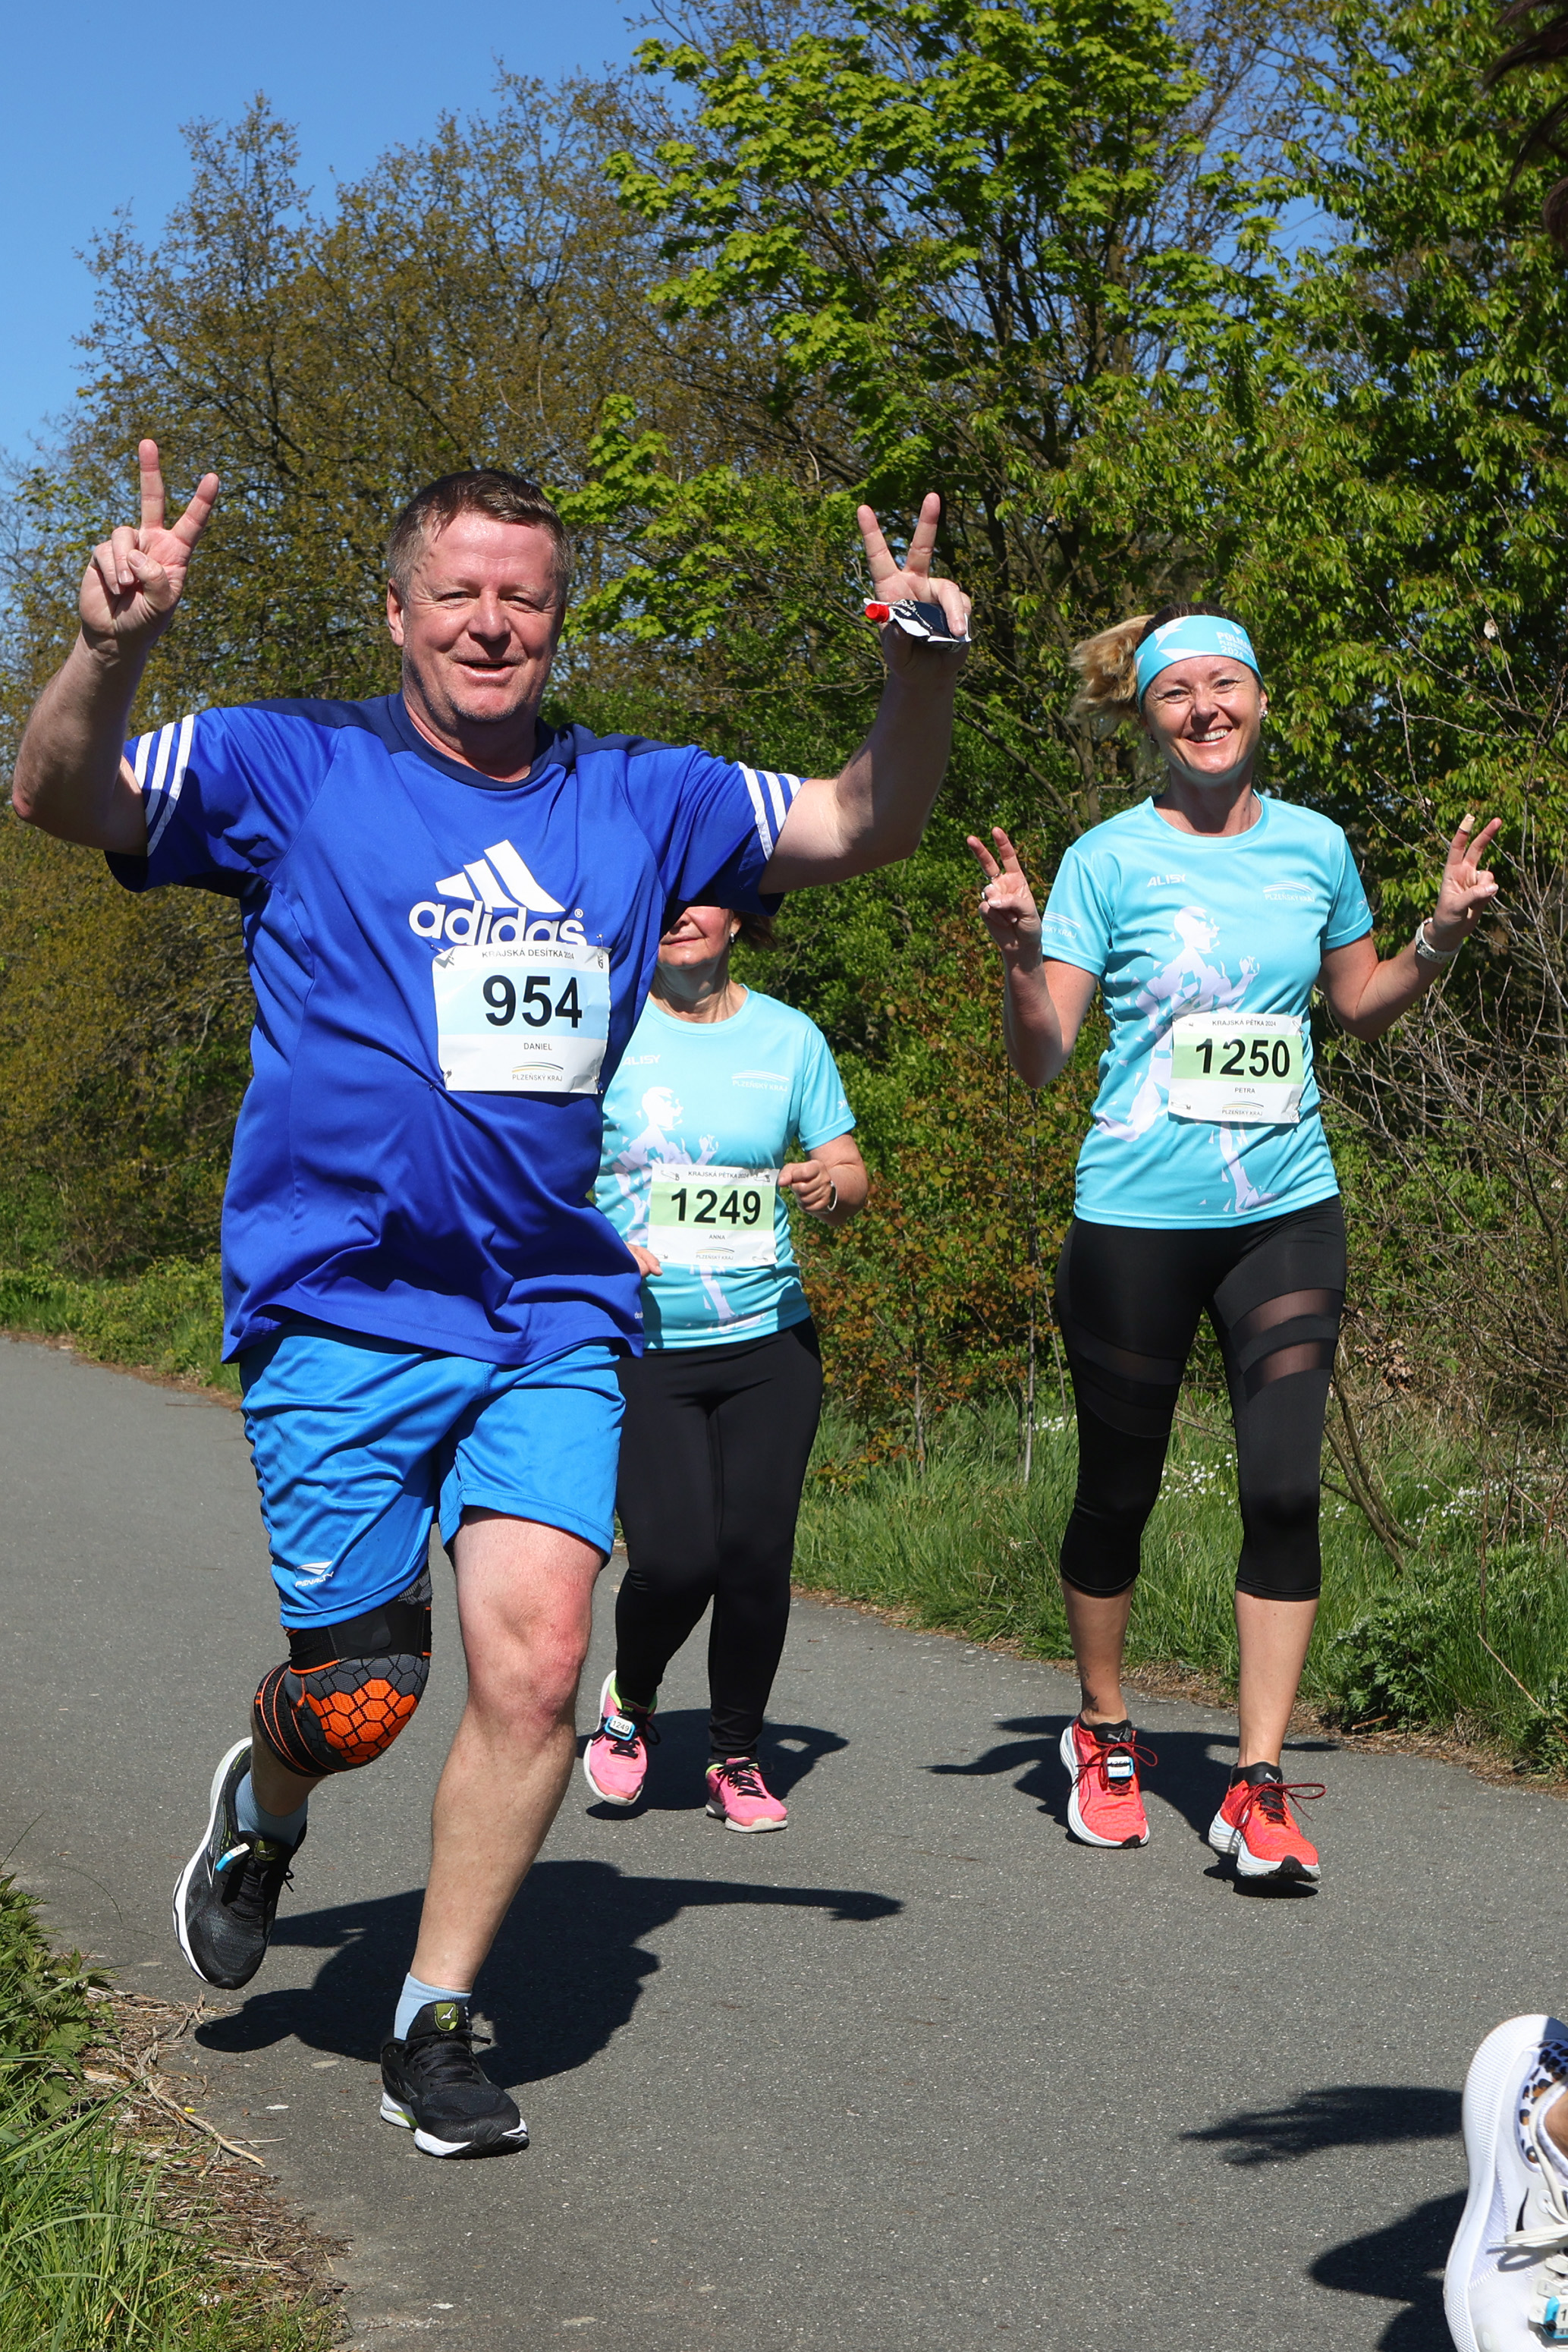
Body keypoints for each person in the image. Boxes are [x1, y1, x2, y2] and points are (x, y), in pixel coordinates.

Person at [11, 443, 969, 2157]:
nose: (489, 622)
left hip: (549, 1307)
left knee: (537, 1668)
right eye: (455, 592)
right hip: (340, 1302)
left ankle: (434, 2014)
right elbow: (61, 797)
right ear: (397, 613)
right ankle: (268, 1800)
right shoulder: (288, 762)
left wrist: (918, 671)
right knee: (361, 1699)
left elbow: (864, 820)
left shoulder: (643, 795)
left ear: (556, 619)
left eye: (522, 596)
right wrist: (112, 644)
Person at [967, 602, 1498, 1884]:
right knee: (1119, 1491)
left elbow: (1358, 1008)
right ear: (1145, 717)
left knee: (1281, 1490)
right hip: (1135, 1218)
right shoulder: (1104, 859)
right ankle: (1102, 1730)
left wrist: (1437, 933)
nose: (1204, 709)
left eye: (1225, 686)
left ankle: (1254, 1780)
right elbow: (1041, 1061)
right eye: (1175, 693)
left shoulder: (1314, 847)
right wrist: (1021, 959)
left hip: (1285, 1210)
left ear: (1259, 700)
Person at [583, 901, 866, 1829]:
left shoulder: (789, 1037)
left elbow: (850, 1169)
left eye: (700, 896)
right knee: (674, 1561)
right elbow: (540, 1173)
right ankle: (631, 1700)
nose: (680, 916)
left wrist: (830, 1186)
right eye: (664, 897)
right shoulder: (604, 1029)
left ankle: (735, 1756)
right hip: (645, 1344)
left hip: (769, 1342)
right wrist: (597, 1247)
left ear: (737, 917)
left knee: (754, 1559)